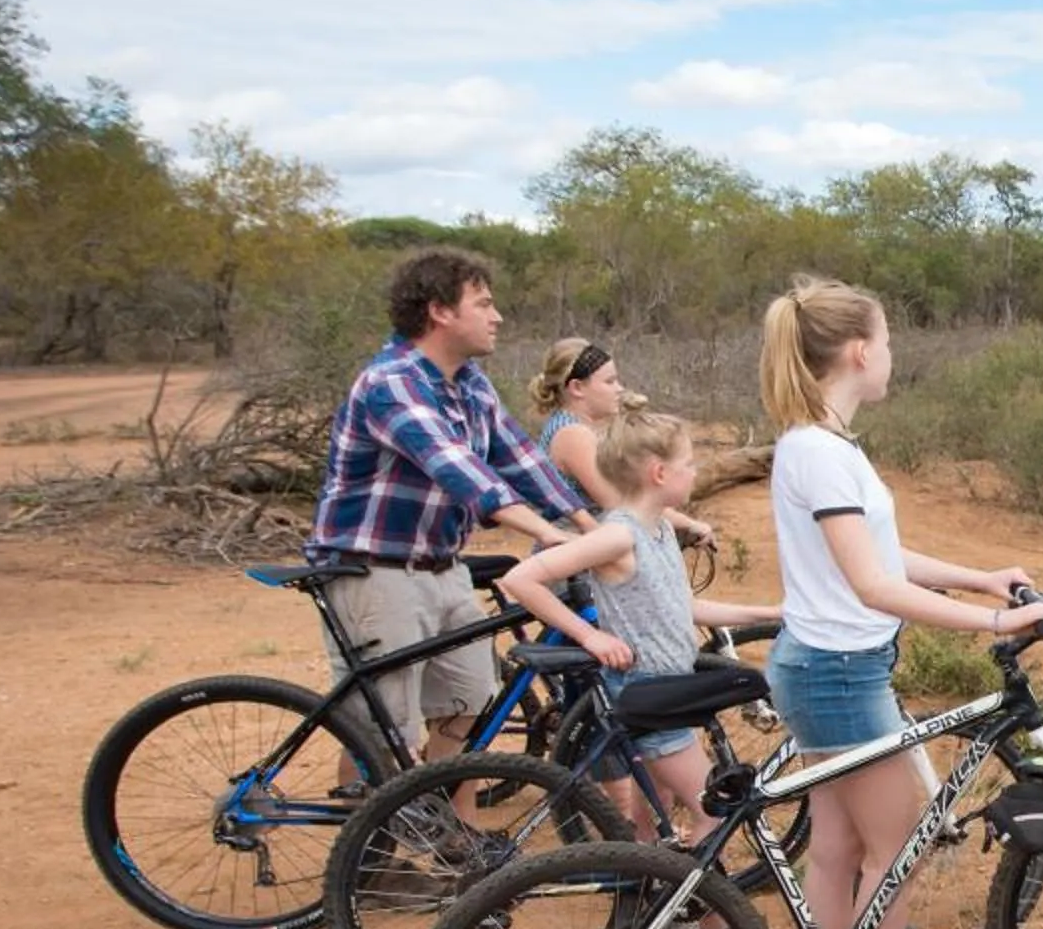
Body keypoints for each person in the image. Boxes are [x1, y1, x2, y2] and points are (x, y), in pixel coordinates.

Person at [759, 275, 1043, 929]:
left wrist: (978, 577)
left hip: (825, 666)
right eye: (888, 340)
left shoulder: (817, 444)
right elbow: (873, 585)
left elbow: (879, 556)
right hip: (839, 673)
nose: (892, 355)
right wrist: (1000, 623)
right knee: (905, 843)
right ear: (860, 351)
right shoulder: (821, 451)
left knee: (837, 847)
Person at [305, 247, 597, 762]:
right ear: (440, 311)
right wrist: (549, 534)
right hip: (374, 570)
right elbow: (458, 469)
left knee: (473, 698)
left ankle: (443, 819)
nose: (497, 316)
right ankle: (365, 833)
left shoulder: (470, 384)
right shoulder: (390, 382)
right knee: (383, 726)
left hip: (443, 567)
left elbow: (520, 458)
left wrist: (584, 521)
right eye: (483, 303)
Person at [495, 408, 780, 841]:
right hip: (649, 694)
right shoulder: (619, 536)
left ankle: (647, 891)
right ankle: (701, 906)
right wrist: (590, 635)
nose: (695, 472)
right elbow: (522, 578)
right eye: (689, 464)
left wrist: (767, 614)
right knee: (716, 811)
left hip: (669, 689)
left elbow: (684, 608)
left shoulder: (660, 528)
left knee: (657, 813)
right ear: (659, 473)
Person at [527, 337, 716, 549]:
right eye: (609, 382)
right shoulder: (572, 434)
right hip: (574, 554)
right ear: (577, 387)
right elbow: (618, 502)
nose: (619, 389)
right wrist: (688, 524)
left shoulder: (575, 426)